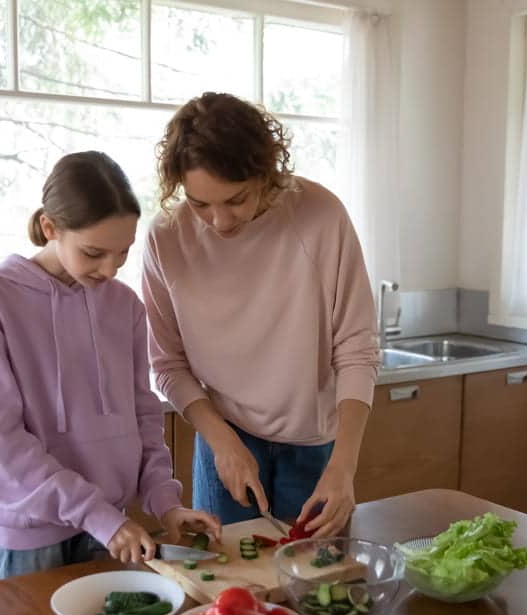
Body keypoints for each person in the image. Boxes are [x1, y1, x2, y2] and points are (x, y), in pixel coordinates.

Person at [0, 151, 220, 580]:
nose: (110, 269)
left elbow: (144, 417)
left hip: (112, 531)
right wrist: (96, 515)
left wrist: (165, 503)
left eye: (122, 253)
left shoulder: (125, 307)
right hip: (33, 538)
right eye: (94, 252)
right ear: (50, 228)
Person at [142, 92, 379, 538]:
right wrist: (222, 442)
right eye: (199, 204)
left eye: (236, 200)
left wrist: (343, 466)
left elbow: (357, 349)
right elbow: (168, 363)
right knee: (225, 585)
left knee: (314, 585)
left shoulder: (321, 217)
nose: (219, 221)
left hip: (315, 442)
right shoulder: (165, 239)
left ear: (267, 174)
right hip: (224, 436)